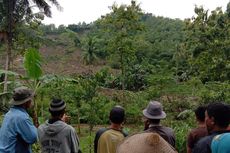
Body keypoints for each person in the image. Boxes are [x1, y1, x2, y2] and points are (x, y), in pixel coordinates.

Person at [0, 86, 37, 153]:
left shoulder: (9, 114)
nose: (31, 101)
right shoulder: (21, 117)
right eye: (30, 100)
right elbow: (33, 138)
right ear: (26, 102)